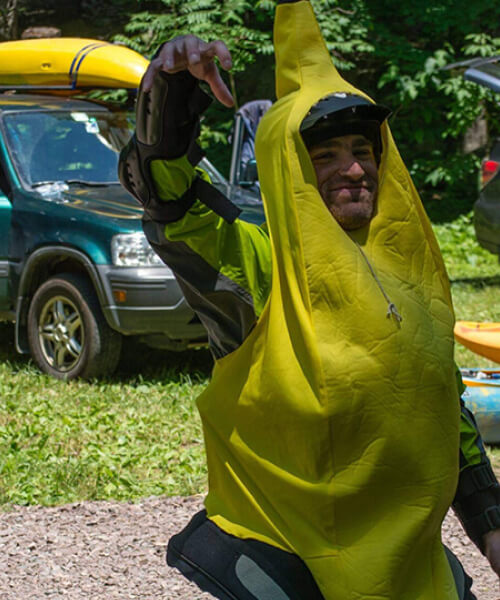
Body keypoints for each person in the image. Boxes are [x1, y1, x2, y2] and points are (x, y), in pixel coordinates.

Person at [119, 1, 500, 598]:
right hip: (297, 572)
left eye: (362, 149)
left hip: (415, 571)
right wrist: (167, 102)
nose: (352, 168)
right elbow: (173, 210)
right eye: (323, 155)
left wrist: (490, 526)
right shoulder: (261, 269)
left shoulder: (409, 267)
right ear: (287, 167)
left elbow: (441, 405)